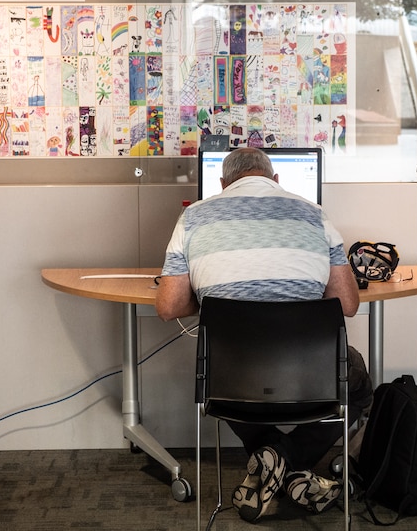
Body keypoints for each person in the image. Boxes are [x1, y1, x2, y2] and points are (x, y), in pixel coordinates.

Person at [156, 147, 372, 523]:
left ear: (222, 185)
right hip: (310, 382)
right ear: (275, 181)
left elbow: (169, 306)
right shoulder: (315, 214)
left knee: (221, 361)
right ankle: (288, 464)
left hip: (230, 384)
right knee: (355, 377)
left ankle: (273, 461)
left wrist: (210, 297)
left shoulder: (192, 218)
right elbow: (347, 302)